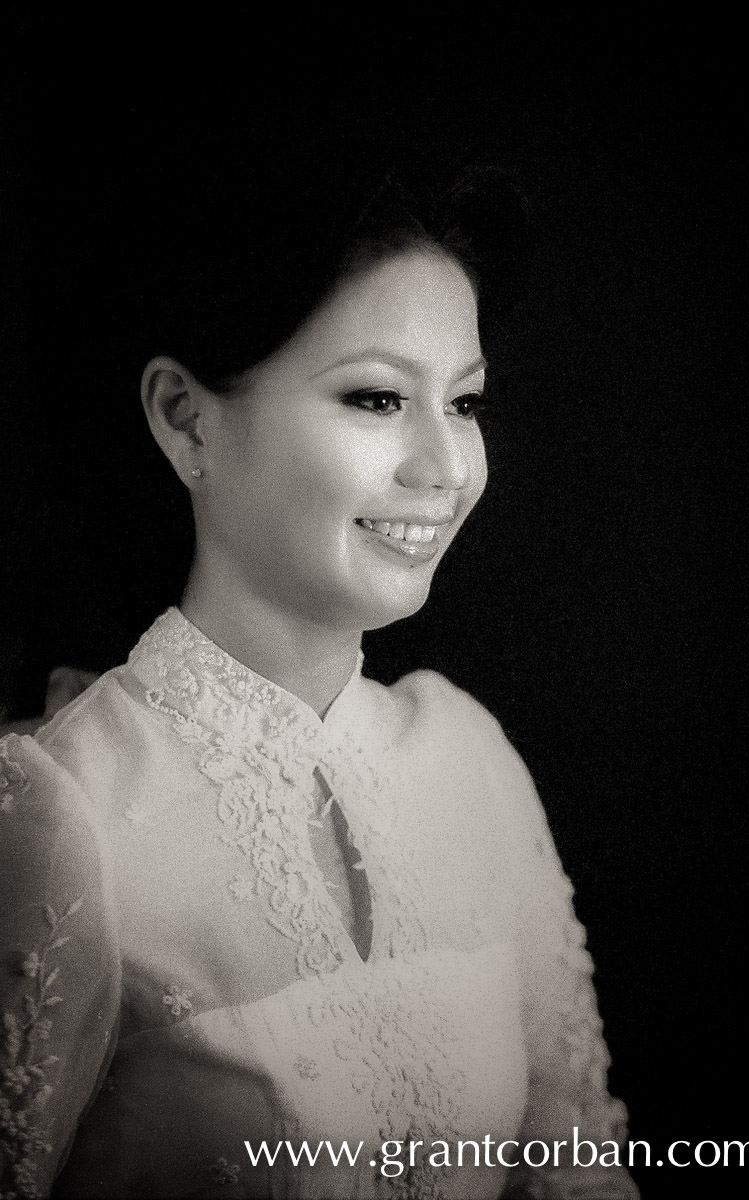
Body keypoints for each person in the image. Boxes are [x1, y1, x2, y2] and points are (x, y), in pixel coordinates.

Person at [0, 133, 639, 1199]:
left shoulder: (466, 757)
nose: (444, 468)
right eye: (377, 398)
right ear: (184, 417)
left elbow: (577, 1169)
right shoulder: (61, 809)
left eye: (466, 401)